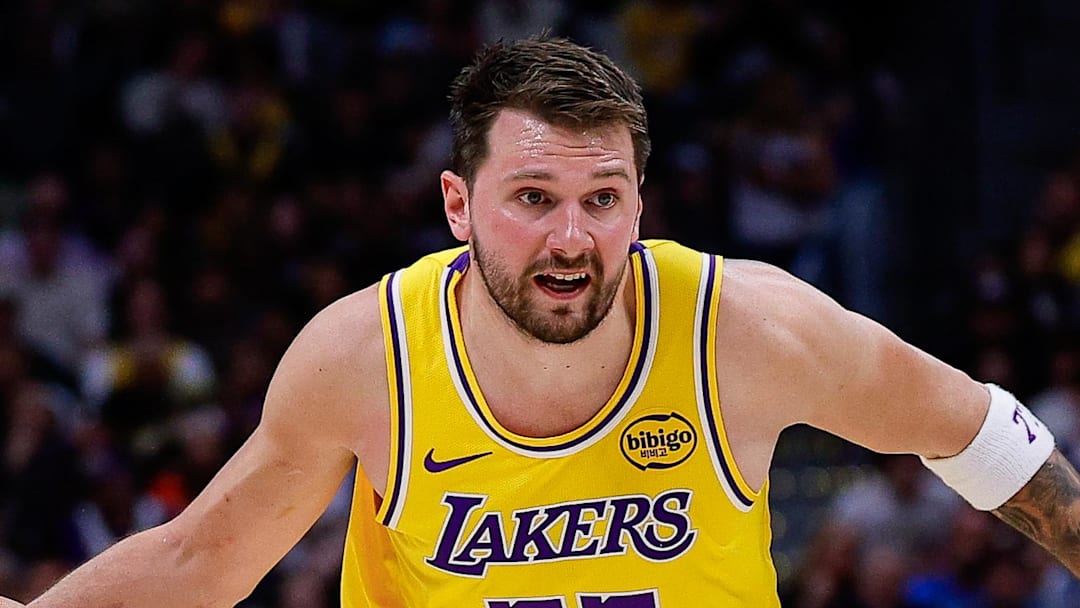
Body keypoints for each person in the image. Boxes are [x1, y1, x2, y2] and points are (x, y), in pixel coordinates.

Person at [7, 36, 1080, 607]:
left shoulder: (745, 329)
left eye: (602, 199)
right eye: (533, 197)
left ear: (640, 206)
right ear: (457, 205)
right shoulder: (366, 356)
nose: (572, 238)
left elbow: (978, 433)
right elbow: (202, 561)